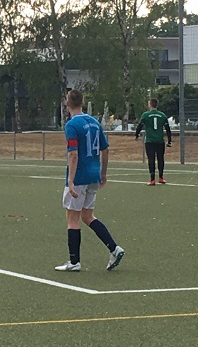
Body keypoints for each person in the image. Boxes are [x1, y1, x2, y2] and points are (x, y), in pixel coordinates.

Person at [55, 89, 125, 272]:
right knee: (87, 216)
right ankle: (114, 248)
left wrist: (70, 181)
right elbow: (105, 149)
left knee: (72, 219)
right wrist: (103, 173)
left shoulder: (72, 125)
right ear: (83, 102)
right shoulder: (94, 122)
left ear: (67, 103)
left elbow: (73, 154)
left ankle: (74, 262)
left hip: (80, 176)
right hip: (94, 175)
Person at [135, 98, 172, 186]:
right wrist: (169, 140)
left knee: (151, 159)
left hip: (150, 141)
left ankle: (152, 179)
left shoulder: (146, 115)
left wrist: (136, 134)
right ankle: (161, 177)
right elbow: (167, 129)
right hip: (160, 140)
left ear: (150, 105)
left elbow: (139, 126)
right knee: (160, 159)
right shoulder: (162, 115)